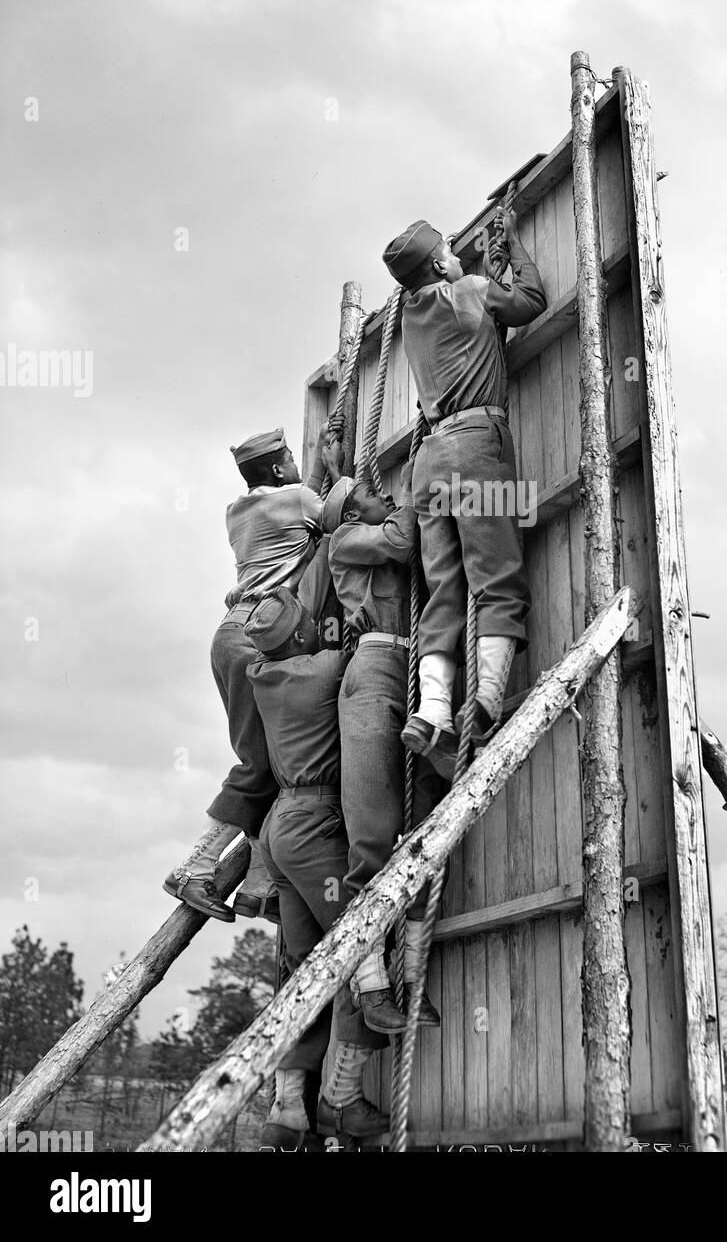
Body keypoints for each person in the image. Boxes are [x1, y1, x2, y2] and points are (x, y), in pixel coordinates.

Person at [382, 211, 546, 776]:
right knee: (497, 575)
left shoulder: (409, 316)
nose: (456, 253)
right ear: (437, 263)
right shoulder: (471, 291)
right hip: (478, 446)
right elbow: (530, 303)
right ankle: (486, 699)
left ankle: (431, 712)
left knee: (443, 588)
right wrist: (511, 252)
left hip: (428, 462)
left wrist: (456, 269)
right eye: (448, 249)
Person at [163, 428, 341, 924]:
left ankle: (256, 889)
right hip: (255, 641)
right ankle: (195, 867)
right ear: (281, 469)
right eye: (290, 458)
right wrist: (336, 462)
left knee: (277, 761)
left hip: (230, 633)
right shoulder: (298, 499)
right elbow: (342, 513)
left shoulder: (236, 512)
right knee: (262, 761)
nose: (297, 463)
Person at [244, 577, 388, 1148]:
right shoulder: (325, 670)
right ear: (300, 632)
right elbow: (366, 647)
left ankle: (288, 1109)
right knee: (356, 950)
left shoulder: (263, 675)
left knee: (307, 970)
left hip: (278, 827)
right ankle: (342, 1100)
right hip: (313, 824)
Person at [320, 435, 446, 1035]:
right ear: (349, 514)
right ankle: (371, 985)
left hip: (411, 666)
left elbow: (377, 514)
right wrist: (410, 487)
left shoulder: (359, 521)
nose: (385, 494)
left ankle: (413, 981)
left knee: (422, 835)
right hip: (372, 672)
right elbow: (399, 535)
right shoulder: (347, 539)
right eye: (372, 493)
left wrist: (338, 465)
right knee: (371, 836)